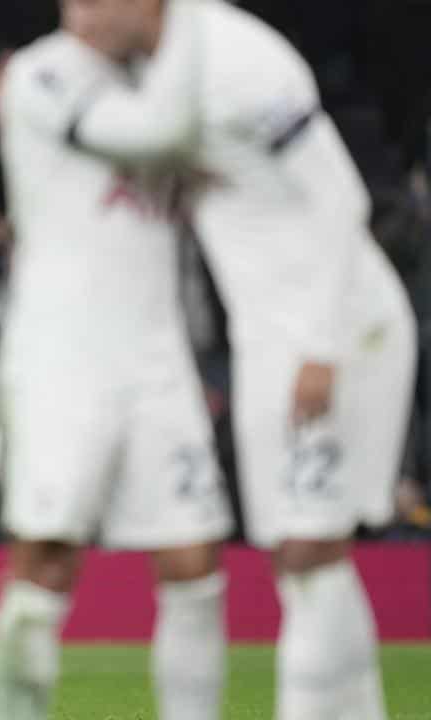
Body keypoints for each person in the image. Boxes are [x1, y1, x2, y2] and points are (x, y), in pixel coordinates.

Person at [60, 1, 418, 717]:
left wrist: (320, 347)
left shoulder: (241, 63)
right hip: (272, 338)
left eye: (91, 2)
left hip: (332, 330)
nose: (78, 21)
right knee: (307, 560)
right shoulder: (155, 71)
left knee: (309, 551)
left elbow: (341, 195)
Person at [0, 9, 235, 718]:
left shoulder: (154, 76)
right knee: (46, 560)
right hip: (64, 353)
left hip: (158, 353)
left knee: (194, 563)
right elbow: (155, 134)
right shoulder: (42, 73)